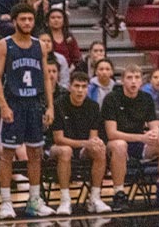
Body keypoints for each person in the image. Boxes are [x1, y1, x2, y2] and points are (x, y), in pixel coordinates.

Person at [0, 3, 55, 219]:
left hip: (35, 104)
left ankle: (34, 200)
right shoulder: (3, 45)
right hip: (14, 103)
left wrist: (50, 106)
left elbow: (46, 77)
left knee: (35, 153)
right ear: (14, 21)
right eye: (23, 19)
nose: (27, 23)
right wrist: (3, 105)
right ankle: (6, 202)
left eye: (30, 19)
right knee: (8, 154)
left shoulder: (40, 46)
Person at [102, 64, 159, 212]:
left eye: (137, 78)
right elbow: (111, 134)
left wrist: (155, 134)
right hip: (114, 146)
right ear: (122, 81)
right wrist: (141, 137)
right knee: (119, 145)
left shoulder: (146, 98)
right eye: (129, 78)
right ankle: (119, 194)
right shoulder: (112, 99)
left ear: (141, 82)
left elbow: (154, 126)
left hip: (139, 144)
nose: (133, 81)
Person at [49, 70, 111, 215]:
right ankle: (65, 200)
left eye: (84, 87)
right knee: (66, 150)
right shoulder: (58, 105)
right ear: (70, 87)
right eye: (77, 86)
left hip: (82, 147)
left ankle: (95, 198)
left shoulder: (93, 106)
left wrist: (93, 144)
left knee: (99, 149)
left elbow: (93, 137)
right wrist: (86, 143)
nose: (80, 90)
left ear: (88, 88)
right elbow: (58, 139)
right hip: (56, 148)